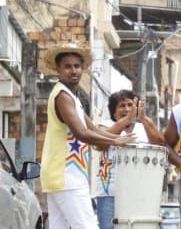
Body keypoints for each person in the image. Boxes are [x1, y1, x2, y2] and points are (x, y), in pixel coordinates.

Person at [40, 42, 135, 229]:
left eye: (77, 66)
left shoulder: (72, 98)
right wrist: (117, 140)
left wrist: (125, 122)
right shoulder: (63, 96)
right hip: (66, 176)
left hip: (61, 175)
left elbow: (95, 131)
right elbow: (82, 133)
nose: (73, 70)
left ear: (83, 69)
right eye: (67, 66)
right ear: (58, 69)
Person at [94, 90, 165, 229]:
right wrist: (126, 120)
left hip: (140, 193)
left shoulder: (143, 127)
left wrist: (143, 117)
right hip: (110, 195)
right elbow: (100, 143)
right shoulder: (106, 125)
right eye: (122, 106)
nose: (127, 109)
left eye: (130, 105)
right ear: (113, 111)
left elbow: (161, 144)